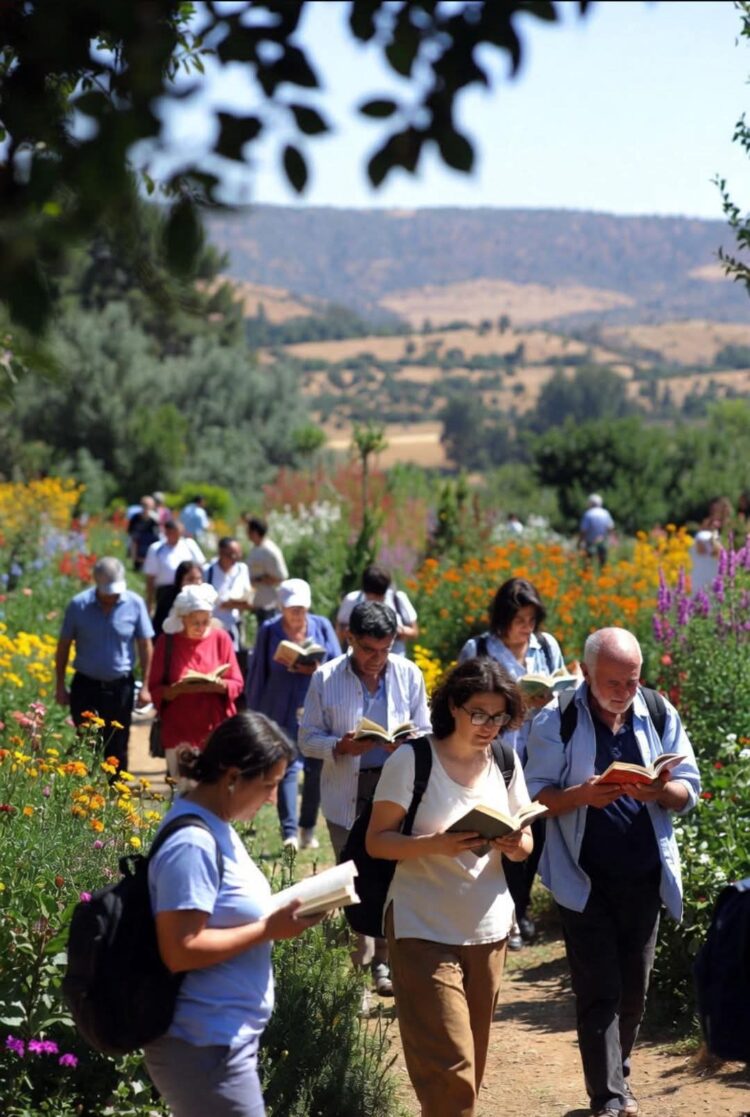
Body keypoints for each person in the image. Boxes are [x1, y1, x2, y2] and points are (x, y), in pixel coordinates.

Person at [524, 627, 701, 1117]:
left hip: (644, 874)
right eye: (614, 682)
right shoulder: (554, 718)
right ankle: (607, 1097)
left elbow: (689, 790)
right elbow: (535, 796)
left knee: (634, 990)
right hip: (584, 878)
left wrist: (661, 792)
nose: (625, 692)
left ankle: (618, 1075)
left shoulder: (657, 710)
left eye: (633, 680)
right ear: (584, 672)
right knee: (598, 988)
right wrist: (582, 795)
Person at [366, 657, 532, 1117]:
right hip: (422, 927)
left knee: (466, 1076)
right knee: (452, 1072)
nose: (489, 726)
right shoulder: (412, 759)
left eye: (499, 717)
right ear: (454, 707)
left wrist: (516, 842)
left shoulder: (503, 760)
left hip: (489, 929)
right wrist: (437, 845)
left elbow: (526, 837)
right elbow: (377, 842)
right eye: (479, 713)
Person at [144, 711, 322, 1117]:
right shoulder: (192, 843)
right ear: (231, 777)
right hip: (202, 1042)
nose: (274, 799)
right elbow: (180, 949)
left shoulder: (216, 824)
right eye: (269, 785)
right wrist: (268, 929)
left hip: (220, 1039)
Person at [298, 600, 431, 1009]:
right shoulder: (326, 677)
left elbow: (425, 728)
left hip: (396, 792)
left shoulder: (408, 673)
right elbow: (306, 738)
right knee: (353, 885)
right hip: (346, 795)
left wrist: (408, 742)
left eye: (385, 649)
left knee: (395, 879)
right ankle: (357, 972)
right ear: (349, 639)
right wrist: (340, 745)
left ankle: (386, 965)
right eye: (368, 650)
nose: (376, 659)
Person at [458, 577, 567, 951]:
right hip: (495, 756)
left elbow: (562, 693)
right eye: (519, 619)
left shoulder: (546, 647)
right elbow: (465, 699)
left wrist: (553, 696)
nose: (527, 627)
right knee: (497, 837)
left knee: (531, 839)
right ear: (502, 619)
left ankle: (519, 911)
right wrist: (515, 704)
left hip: (539, 757)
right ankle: (501, 915)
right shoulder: (479, 648)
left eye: (532, 619)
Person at [244, 578, 340, 851]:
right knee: (286, 767)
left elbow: (338, 663)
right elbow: (257, 672)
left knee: (315, 769)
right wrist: (255, 713)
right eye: (291, 608)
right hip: (278, 709)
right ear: (281, 608)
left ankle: (307, 828)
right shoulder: (268, 630)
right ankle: (289, 833)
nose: (297, 614)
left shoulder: (321, 626)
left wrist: (318, 668)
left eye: (301, 608)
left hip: (316, 709)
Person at [55, 556, 153, 770]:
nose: (112, 595)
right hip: (86, 686)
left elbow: (145, 645)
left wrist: (146, 686)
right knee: (85, 745)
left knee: (117, 747)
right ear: (96, 583)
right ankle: (81, 798)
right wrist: (60, 685)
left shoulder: (134, 604)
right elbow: (63, 646)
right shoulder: (78, 605)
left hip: (120, 688)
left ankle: (114, 799)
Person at [148, 584, 244, 781]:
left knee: (215, 791)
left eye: (205, 622)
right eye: (195, 623)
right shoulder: (166, 643)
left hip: (215, 729)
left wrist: (219, 686)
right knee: (183, 792)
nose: (201, 628)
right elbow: (155, 689)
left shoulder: (221, 638)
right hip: (179, 730)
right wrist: (176, 690)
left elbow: (237, 682)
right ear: (182, 619)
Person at [335, 563, 419, 656]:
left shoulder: (398, 599)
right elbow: (339, 632)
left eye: (380, 597)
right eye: (372, 597)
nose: (376, 602)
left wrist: (396, 631)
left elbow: (414, 632)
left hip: (394, 656)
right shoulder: (352, 600)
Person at [144, 521, 206, 618]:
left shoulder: (189, 545)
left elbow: (200, 567)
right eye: (174, 533)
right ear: (167, 532)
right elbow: (150, 577)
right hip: (165, 593)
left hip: (188, 590)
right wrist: (150, 601)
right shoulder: (156, 549)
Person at [204, 537, 253, 654]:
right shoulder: (208, 571)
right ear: (221, 553)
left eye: (237, 555)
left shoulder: (242, 569)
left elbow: (249, 600)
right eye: (230, 555)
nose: (234, 559)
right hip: (213, 625)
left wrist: (230, 604)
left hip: (234, 625)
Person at [245, 516, 289, 626]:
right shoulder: (256, 548)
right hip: (260, 603)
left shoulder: (270, 551)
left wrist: (258, 579)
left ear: (254, 532)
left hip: (271, 605)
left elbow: (281, 577)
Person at [152, 560, 205, 640]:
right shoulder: (168, 600)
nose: (195, 583)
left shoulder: (205, 601)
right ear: (180, 581)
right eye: (190, 579)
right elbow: (158, 628)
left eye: (198, 579)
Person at [578, 494, 615, 568]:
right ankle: (602, 577)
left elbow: (583, 530)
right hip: (602, 542)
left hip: (590, 543)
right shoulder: (605, 513)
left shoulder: (588, 514)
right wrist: (612, 539)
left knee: (588, 564)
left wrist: (580, 541)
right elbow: (610, 528)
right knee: (603, 564)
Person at [127, 495, 161, 572]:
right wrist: (134, 555)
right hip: (138, 550)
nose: (146, 508)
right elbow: (132, 536)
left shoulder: (155, 520)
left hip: (151, 551)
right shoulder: (135, 518)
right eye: (144, 505)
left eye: (148, 506)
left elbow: (158, 537)